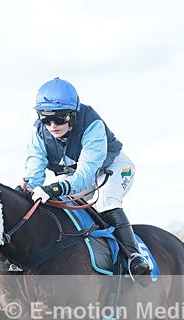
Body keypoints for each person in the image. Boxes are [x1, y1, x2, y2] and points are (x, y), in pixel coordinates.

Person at [23, 77, 151, 279]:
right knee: (54, 204)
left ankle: (134, 257)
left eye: (60, 118)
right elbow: (34, 169)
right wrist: (28, 189)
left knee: (107, 200)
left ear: (73, 115)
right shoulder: (38, 131)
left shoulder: (92, 124)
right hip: (78, 174)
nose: (53, 125)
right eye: (46, 119)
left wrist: (54, 189)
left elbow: (85, 175)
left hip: (113, 167)